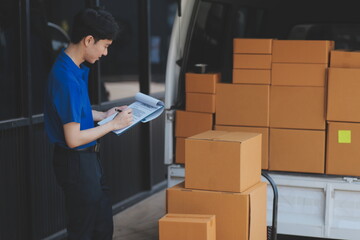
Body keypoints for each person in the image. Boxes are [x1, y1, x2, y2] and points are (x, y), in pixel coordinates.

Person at [44, 8, 132, 240]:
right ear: (88, 40)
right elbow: (73, 139)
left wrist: (103, 116)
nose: (105, 53)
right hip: (77, 162)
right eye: (104, 46)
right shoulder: (66, 78)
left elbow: (73, 113)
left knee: (101, 227)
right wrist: (113, 125)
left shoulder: (74, 67)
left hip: (88, 161)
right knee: (85, 231)